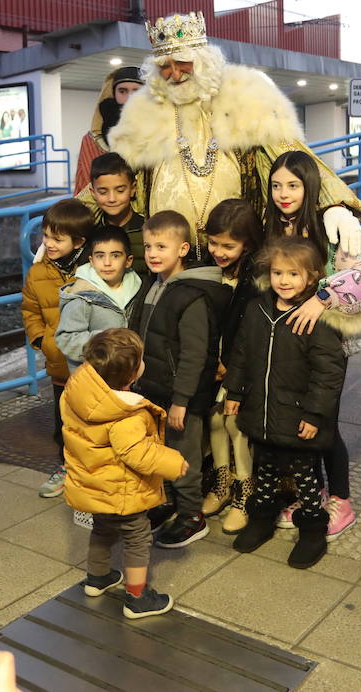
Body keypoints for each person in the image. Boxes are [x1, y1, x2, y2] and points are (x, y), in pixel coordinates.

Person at [102, 11, 361, 259]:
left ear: (203, 62)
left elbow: (293, 159)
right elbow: (109, 176)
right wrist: (67, 218)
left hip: (234, 254)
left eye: (182, 62)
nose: (175, 73)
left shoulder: (244, 98)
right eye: (165, 66)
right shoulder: (144, 113)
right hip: (167, 259)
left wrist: (334, 206)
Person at [262, 150, 361, 539]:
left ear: (309, 186)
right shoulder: (271, 225)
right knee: (299, 420)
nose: (284, 193)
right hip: (288, 342)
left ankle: (341, 501)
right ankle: (308, 494)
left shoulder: (329, 226)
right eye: (277, 185)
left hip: (328, 342)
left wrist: (323, 298)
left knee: (325, 423)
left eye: (293, 185)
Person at [223, 237, 347, 569]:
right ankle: (262, 519)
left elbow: (328, 373)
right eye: (278, 272)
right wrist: (234, 392)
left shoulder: (316, 319)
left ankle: (312, 530)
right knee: (265, 469)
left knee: (305, 477)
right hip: (262, 412)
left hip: (297, 417)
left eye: (293, 274)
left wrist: (315, 414)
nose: (284, 281)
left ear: (312, 277)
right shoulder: (257, 308)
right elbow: (240, 355)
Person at [61, 328, 187, 619]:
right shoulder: (125, 415)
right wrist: (174, 462)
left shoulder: (79, 391)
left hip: (94, 484)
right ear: (132, 376)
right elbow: (138, 454)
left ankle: (97, 578)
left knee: (102, 528)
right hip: (122, 489)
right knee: (137, 537)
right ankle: (137, 598)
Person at [127, 210, 231, 549]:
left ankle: (191, 515)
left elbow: (195, 355)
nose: (153, 254)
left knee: (182, 455)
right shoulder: (153, 285)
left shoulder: (192, 296)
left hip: (179, 395)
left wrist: (181, 401)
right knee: (159, 452)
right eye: (148, 246)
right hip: (152, 388)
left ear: (183, 249)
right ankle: (168, 502)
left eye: (162, 246)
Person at [21, 198, 94, 499]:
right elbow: (30, 310)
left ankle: (93, 473)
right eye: (46, 236)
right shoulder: (39, 272)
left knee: (92, 422)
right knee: (63, 423)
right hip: (60, 367)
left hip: (92, 367)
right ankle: (66, 468)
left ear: (79, 242)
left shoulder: (93, 269)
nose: (48, 243)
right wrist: (42, 341)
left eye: (56, 239)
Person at [200, 198, 264, 534]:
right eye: (213, 243)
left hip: (240, 365)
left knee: (236, 424)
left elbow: (250, 334)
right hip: (215, 361)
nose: (219, 251)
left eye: (229, 245)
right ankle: (222, 485)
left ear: (248, 243)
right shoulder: (209, 270)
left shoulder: (256, 279)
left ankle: (244, 493)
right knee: (213, 419)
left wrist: (230, 367)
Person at [54, 225, 144, 371]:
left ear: (128, 260)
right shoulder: (82, 296)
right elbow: (66, 339)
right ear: (91, 260)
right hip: (94, 380)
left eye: (115, 255)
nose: (107, 263)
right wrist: (107, 343)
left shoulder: (139, 288)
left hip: (128, 377)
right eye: (100, 256)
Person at [73, 65, 142, 193]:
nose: (129, 99)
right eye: (122, 91)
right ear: (113, 94)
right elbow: (83, 190)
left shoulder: (160, 137)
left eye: (137, 91)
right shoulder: (92, 141)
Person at [88, 150, 146, 274]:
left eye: (120, 190)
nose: (112, 199)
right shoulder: (89, 232)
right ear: (93, 193)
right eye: (103, 192)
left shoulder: (147, 230)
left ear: (133, 188)